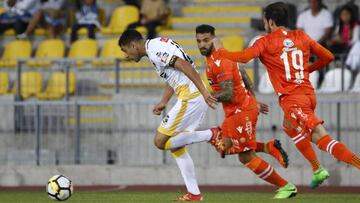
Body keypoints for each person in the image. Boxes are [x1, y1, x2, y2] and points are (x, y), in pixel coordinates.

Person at [213, 1, 360, 189]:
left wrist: (221, 51)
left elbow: (244, 57)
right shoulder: (301, 35)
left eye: (265, 21)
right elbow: (329, 57)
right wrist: (307, 70)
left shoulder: (265, 41)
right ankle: (317, 169)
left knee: (322, 138)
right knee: (289, 127)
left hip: (293, 99)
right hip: (307, 94)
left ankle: (352, 164)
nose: (265, 25)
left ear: (270, 21)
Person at [119, 29, 222, 201]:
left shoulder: (154, 51)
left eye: (125, 50)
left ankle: (212, 134)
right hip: (192, 94)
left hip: (191, 96)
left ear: (133, 45)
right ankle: (194, 194)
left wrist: (203, 91)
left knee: (160, 141)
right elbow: (173, 75)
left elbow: (183, 65)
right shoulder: (157, 45)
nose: (126, 54)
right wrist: (164, 101)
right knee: (176, 146)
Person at [195, 24, 296, 199]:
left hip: (240, 112)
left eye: (206, 40)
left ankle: (286, 187)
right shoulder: (217, 57)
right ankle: (268, 146)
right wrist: (254, 101)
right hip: (238, 110)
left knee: (246, 156)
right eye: (198, 41)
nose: (202, 45)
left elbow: (228, 92)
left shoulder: (220, 61)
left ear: (214, 39)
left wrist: (205, 97)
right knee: (225, 146)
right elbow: (244, 75)